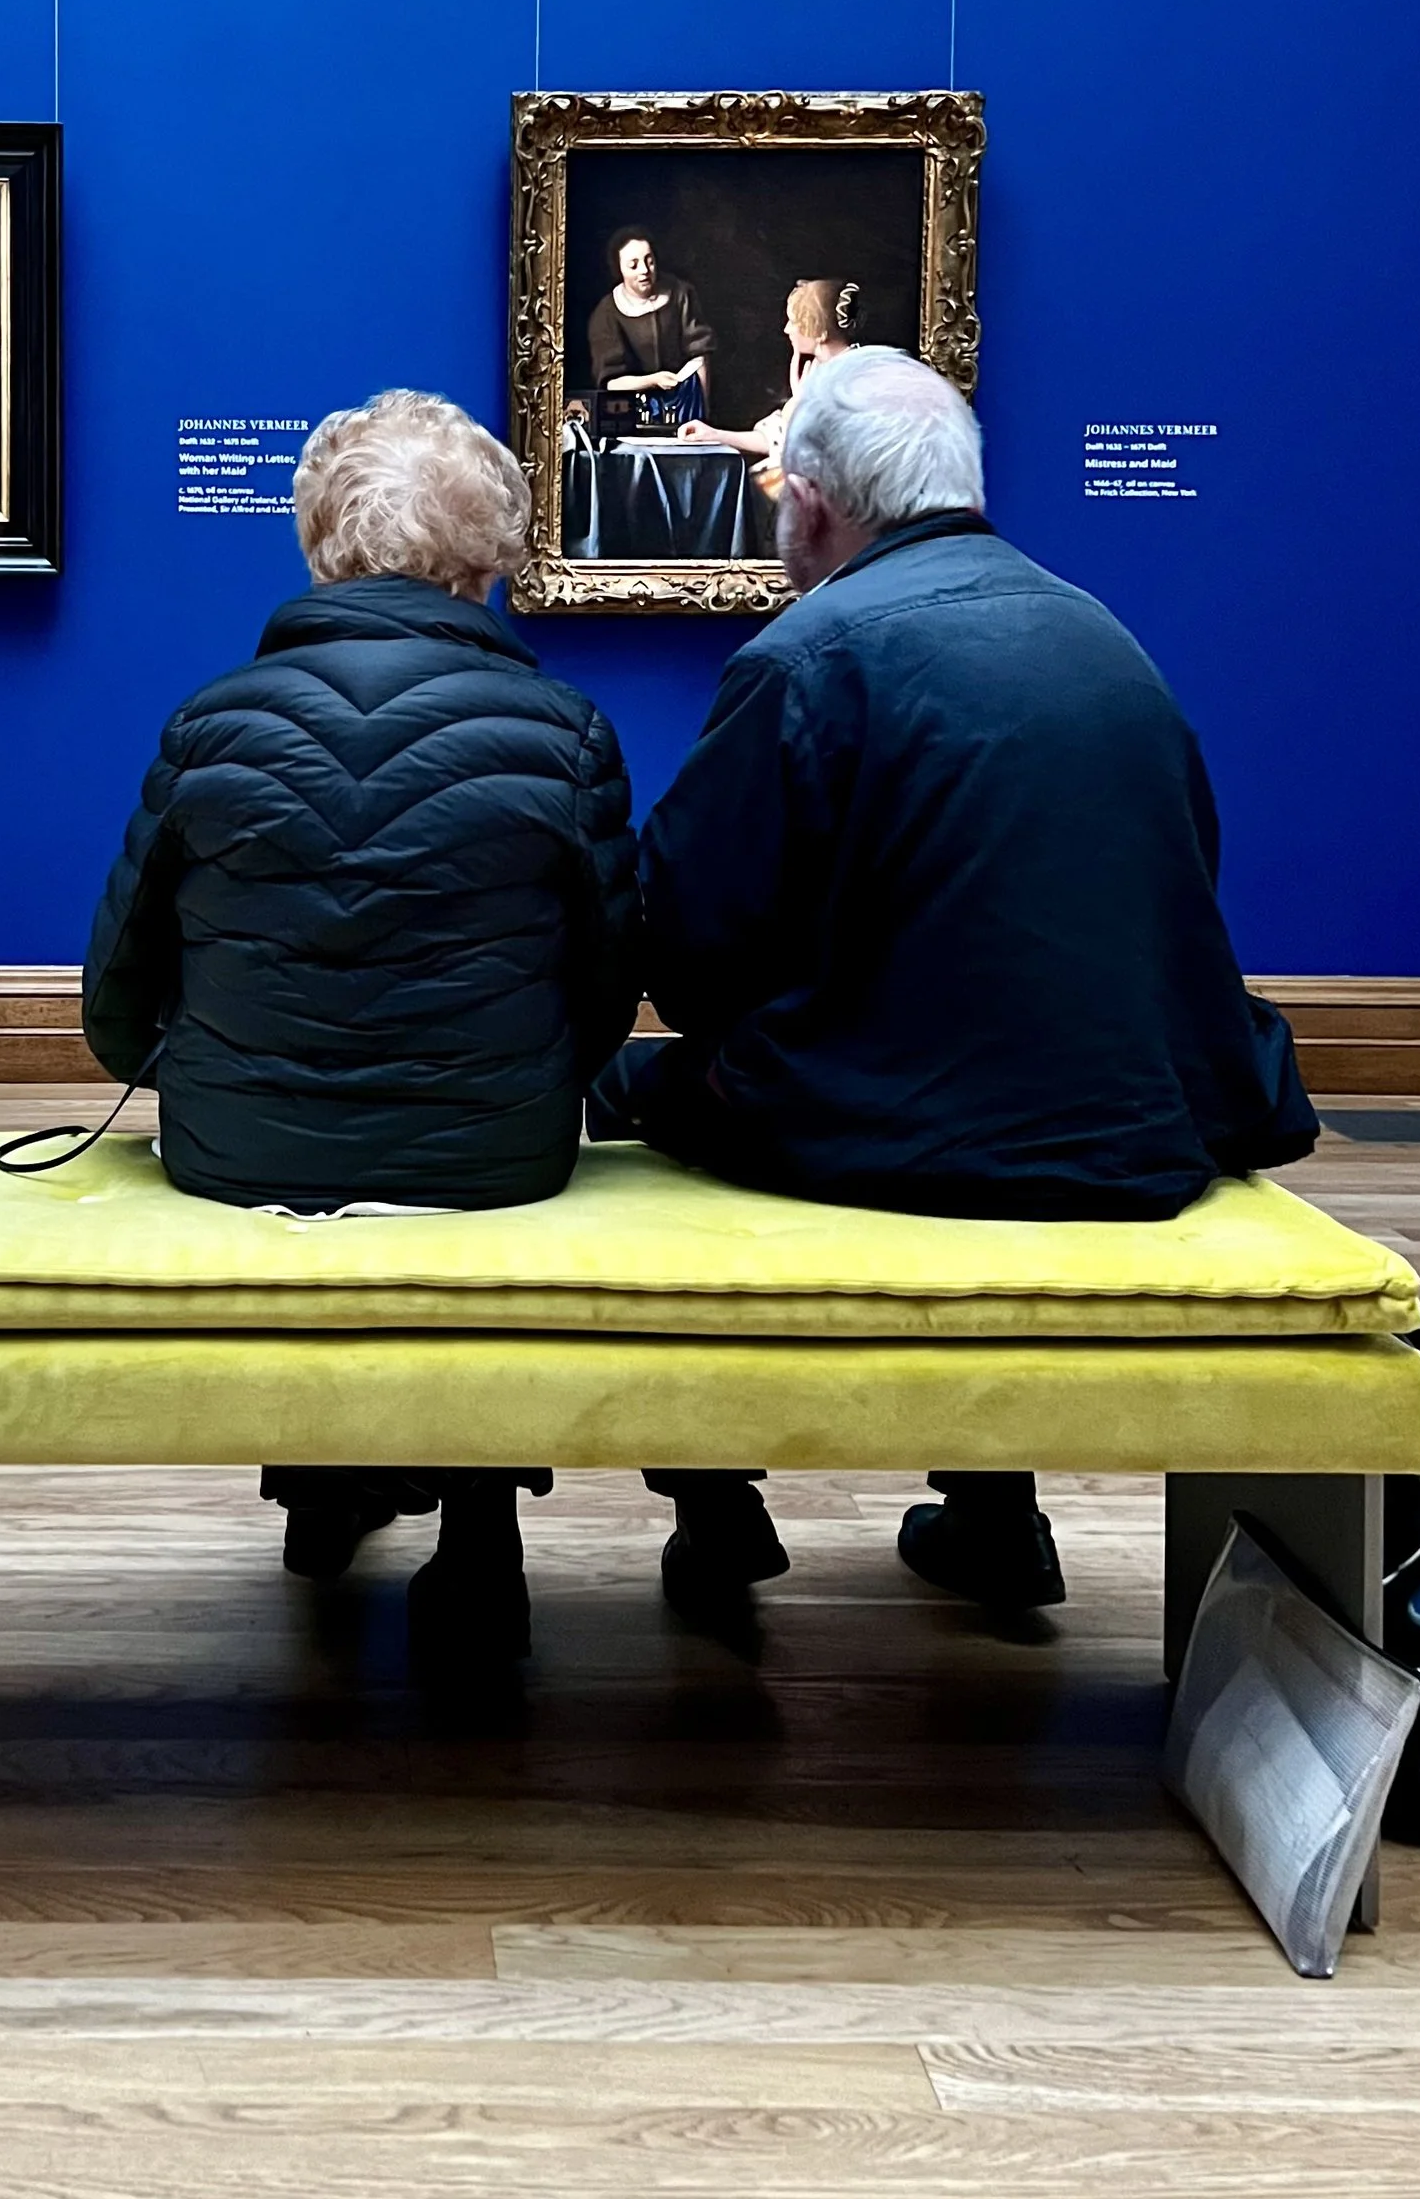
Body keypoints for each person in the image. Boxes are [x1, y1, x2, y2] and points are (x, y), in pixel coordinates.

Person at [592, 345, 1318, 1616]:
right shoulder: (1105, 640)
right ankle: (993, 1506)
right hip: (1136, 1137)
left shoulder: (802, 656)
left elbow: (687, 947)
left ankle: (712, 1494)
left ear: (811, 502)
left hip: (901, 1140)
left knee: (627, 1088)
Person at [82, 389, 642, 1666]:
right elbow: (612, 987)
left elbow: (114, 999)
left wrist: (197, 1067)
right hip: (490, 1154)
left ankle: (322, 1487)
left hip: (240, 1153)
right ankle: (482, 1522)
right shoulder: (564, 733)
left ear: (318, 547)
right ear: (483, 565)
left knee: (327, 1182)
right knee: (449, 1199)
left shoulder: (211, 720)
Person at [680, 276, 861, 468]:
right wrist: (714, 435)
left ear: (820, 333)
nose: (787, 329)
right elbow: (778, 437)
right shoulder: (815, 369)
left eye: (794, 322)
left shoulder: (853, 378)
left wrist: (801, 408)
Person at [585, 232, 713, 428]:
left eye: (649, 261)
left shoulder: (681, 294)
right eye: (633, 265)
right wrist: (653, 380)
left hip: (684, 405)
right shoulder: (606, 313)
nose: (644, 270)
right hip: (632, 414)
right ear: (619, 269)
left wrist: (701, 417)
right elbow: (610, 383)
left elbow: (700, 356)